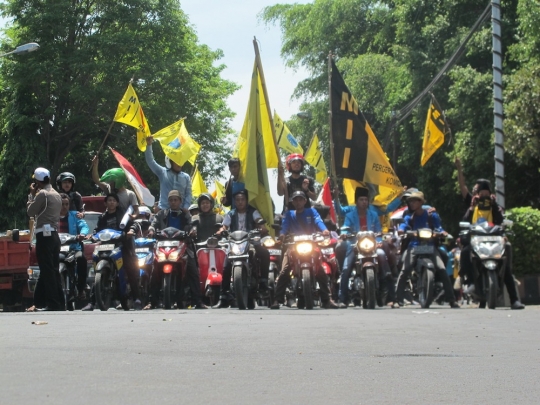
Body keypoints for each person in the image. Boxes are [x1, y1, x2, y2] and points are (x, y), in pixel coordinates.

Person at [460, 179, 524, 309]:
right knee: (465, 251)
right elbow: (465, 221)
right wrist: (472, 207)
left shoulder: (495, 205)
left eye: (486, 193)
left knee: (505, 262)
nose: (484, 196)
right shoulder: (473, 205)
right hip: (477, 240)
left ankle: (514, 300)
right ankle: (470, 281)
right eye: (481, 193)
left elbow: (500, 220)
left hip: (494, 240)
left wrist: (494, 205)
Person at [271, 191, 339, 309]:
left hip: (311, 245)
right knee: (285, 270)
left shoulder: (312, 211)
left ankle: (327, 299)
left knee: (321, 270)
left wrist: (324, 230)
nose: (298, 202)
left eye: (300, 199)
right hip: (294, 246)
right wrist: (282, 235)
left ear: (305, 201)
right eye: (295, 200)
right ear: (292, 202)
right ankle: (277, 299)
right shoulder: (289, 214)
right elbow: (285, 226)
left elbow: (318, 221)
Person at [333, 186, 397, 308]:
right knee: (346, 268)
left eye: (365, 200)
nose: (364, 202)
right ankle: (343, 298)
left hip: (372, 245)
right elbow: (345, 227)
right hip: (355, 245)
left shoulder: (373, 214)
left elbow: (378, 231)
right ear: (356, 201)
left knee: (383, 257)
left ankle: (392, 298)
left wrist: (379, 241)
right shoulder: (350, 215)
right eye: (361, 199)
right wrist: (344, 233)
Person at [396, 191, 460, 308]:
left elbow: (438, 227)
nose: (412, 203)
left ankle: (452, 300)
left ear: (421, 202)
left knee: (442, 268)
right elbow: (404, 224)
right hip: (414, 246)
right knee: (405, 269)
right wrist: (402, 230)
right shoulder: (409, 215)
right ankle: (397, 299)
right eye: (410, 201)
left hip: (429, 247)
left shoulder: (431, 215)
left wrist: (442, 232)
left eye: (414, 201)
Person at [147, 190, 207, 309]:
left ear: (180, 201)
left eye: (176, 200)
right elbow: (153, 224)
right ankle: (151, 302)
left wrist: (192, 231)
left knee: (192, 270)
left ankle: (198, 301)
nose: (173, 202)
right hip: (163, 245)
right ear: (168, 201)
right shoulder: (161, 214)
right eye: (171, 200)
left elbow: (192, 225)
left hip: (183, 245)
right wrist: (151, 230)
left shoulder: (186, 215)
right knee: (153, 270)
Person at [82, 193, 142, 311]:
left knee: (130, 269)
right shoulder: (103, 217)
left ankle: (137, 299)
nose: (111, 202)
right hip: (105, 246)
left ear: (117, 203)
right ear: (105, 203)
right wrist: (92, 235)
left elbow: (134, 224)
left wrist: (130, 231)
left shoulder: (124, 215)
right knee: (95, 272)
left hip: (121, 245)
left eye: (114, 200)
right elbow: (96, 230)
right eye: (109, 200)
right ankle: (92, 302)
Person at [214, 189, 270, 308]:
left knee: (264, 253)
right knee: (226, 265)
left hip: (250, 241)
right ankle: (223, 296)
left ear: (246, 200)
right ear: (234, 201)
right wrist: (220, 232)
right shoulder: (231, 214)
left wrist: (262, 228)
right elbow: (224, 226)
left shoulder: (253, 212)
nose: (240, 202)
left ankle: (263, 282)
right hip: (234, 242)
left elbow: (260, 223)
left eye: (242, 199)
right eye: (237, 200)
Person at [26, 167, 63, 312]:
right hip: (54, 235)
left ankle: (53, 303)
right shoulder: (56, 194)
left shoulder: (42, 194)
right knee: (51, 269)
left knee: (47, 270)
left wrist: (31, 195)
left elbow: (30, 211)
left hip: (44, 235)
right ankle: (46, 302)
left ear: (37, 181)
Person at [144, 136, 192, 211]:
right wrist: (149, 145)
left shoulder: (186, 177)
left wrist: (186, 207)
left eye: (181, 160)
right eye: (177, 161)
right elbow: (150, 161)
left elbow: (188, 194)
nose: (180, 164)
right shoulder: (163, 172)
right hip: (163, 212)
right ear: (170, 162)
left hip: (180, 213)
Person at [58, 193, 90, 300]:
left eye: (67, 204)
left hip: (74, 248)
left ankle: (81, 289)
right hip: (57, 249)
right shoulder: (52, 217)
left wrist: (82, 234)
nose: (64, 207)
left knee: (82, 260)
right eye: (62, 204)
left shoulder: (75, 215)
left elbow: (84, 226)